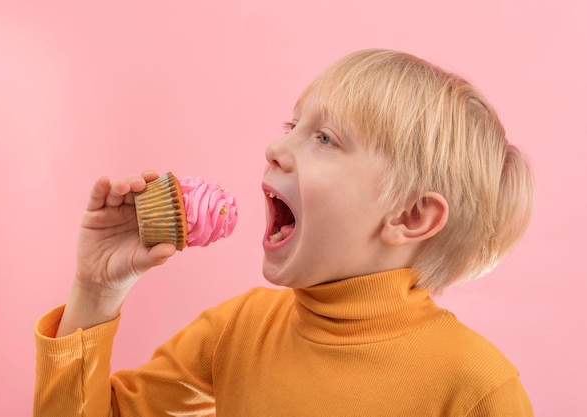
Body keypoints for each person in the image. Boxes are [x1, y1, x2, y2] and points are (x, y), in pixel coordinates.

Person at [34, 49, 534, 416]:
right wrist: (96, 293)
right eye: (292, 125)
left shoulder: (476, 387)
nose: (276, 145)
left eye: (325, 138)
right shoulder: (239, 330)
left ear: (411, 217)